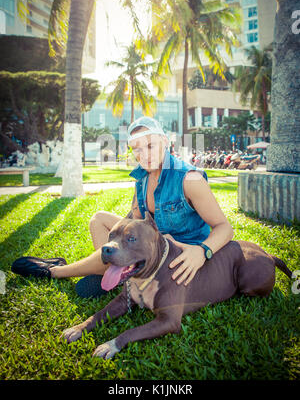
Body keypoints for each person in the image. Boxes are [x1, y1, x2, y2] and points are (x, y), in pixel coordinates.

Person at [12, 116, 234, 298]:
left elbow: (225, 227)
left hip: (179, 256)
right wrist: (123, 233)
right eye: (137, 149)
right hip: (153, 245)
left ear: (165, 142)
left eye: (150, 145)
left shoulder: (189, 178)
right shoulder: (142, 179)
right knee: (99, 218)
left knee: (115, 251)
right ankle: (113, 270)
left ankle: (56, 271)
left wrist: (202, 252)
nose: (143, 154)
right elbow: (135, 221)